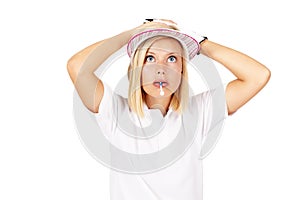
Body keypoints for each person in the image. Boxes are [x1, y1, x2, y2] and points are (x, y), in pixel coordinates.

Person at [67, 19, 270, 200]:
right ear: (136, 68)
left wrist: (199, 43)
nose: (160, 69)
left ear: (182, 69)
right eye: (150, 58)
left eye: (172, 58)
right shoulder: (115, 112)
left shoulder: (200, 112)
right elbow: (77, 66)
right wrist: (130, 35)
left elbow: (258, 75)